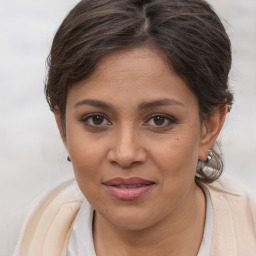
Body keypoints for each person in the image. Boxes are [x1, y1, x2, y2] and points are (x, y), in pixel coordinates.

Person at [7, 0, 256, 255]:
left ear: (210, 126)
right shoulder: (14, 242)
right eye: (96, 119)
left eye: (159, 120)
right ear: (63, 128)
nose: (125, 154)